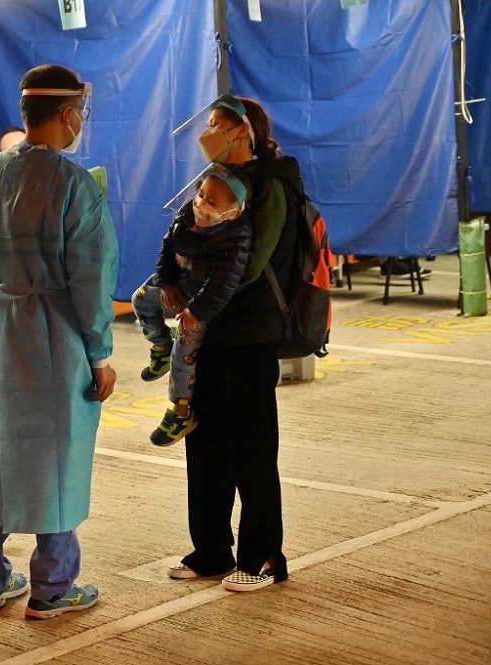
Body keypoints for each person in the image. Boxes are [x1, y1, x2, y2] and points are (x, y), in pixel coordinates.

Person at [0, 64, 119, 619]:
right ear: (70, 115)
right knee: (57, 455)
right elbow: (91, 279)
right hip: (55, 331)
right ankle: (52, 585)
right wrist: (99, 354)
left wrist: (8, 281)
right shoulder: (74, 184)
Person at [165, 95, 292, 592]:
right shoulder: (210, 183)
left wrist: (194, 282)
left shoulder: (271, 188)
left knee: (253, 450)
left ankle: (263, 556)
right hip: (208, 336)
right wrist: (171, 278)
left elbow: (250, 265)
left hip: (249, 337)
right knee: (205, 446)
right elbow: (179, 237)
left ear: (243, 132)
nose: (208, 131)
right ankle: (211, 550)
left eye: (217, 124)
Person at [132, 162, 252, 446]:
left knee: (183, 351)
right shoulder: (186, 215)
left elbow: (222, 285)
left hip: (200, 303)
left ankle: (180, 411)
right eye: (201, 194)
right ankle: (160, 345)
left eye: (212, 201)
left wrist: (194, 312)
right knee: (141, 301)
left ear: (232, 212)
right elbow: (167, 249)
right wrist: (168, 282)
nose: (202, 203)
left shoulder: (235, 238)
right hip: (178, 284)